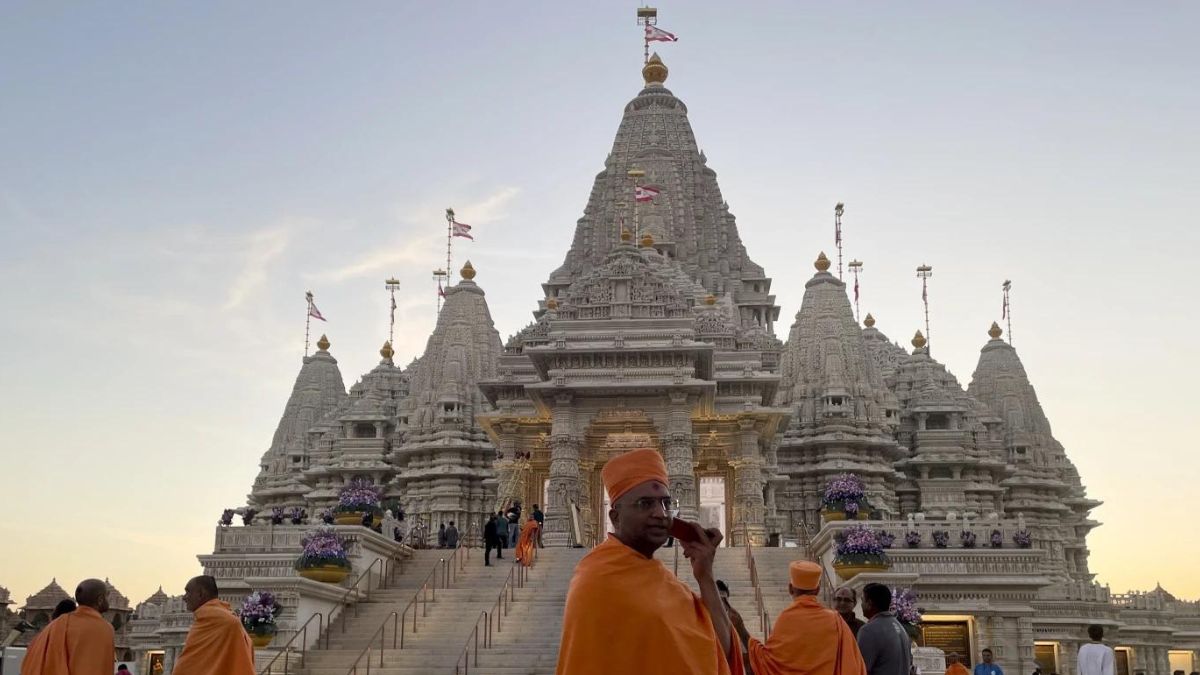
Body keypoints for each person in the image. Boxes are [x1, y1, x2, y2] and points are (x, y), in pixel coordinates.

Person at [556, 448, 743, 674]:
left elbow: (720, 652)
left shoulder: (668, 584)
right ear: (615, 517)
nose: (660, 514)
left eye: (665, 504)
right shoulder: (597, 578)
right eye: (645, 504)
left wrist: (705, 575)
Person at [741, 560, 867, 675]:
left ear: (790, 589)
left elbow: (770, 663)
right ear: (817, 590)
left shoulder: (786, 619)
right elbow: (852, 666)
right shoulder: (835, 620)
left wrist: (741, 630)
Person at [20, 578, 115, 675]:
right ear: (100, 600)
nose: (109, 600)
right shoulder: (103, 629)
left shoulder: (51, 627)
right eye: (107, 596)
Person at [171, 575, 255, 675]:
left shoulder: (224, 621)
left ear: (200, 594)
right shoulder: (223, 619)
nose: (184, 597)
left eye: (188, 592)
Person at [858, 582, 913, 675]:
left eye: (862, 600)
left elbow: (859, 669)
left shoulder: (869, 630)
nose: (861, 604)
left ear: (869, 603)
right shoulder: (900, 628)